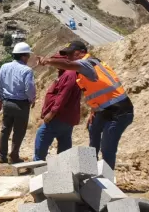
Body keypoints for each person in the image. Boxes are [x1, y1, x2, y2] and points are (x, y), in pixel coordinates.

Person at [37, 40, 134, 169]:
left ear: (82, 52)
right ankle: (91, 170)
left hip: (120, 111)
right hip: (105, 110)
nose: (69, 57)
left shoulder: (87, 63)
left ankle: (107, 180)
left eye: (72, 53)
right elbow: (98, 92)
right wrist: (94, 109)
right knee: (93, 128)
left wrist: (48, 61)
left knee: (107, 146)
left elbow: (67, 64)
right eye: (67, 54)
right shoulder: (85, 70)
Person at [34, 53, 82, 161]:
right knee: (64, 139)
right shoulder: (67, 73)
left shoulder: (69, 74)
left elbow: (63, 96)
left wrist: (52, 112)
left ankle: (38, 162)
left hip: (59, 116)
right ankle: (63, 166)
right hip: (67, 116)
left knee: (42, 134)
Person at [0, 42, 36, 164]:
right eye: (28, 55)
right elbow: (29, 88)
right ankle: (14, 156)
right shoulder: (27, 70)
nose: (28, 58)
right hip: (21, 105)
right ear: (23, 56)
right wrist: (32, 99)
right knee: (19, 131)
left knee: (5, 129)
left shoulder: (4, 67)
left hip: (7, 103)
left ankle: (2, 156)